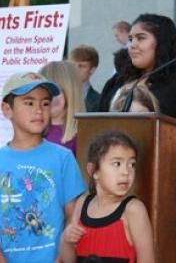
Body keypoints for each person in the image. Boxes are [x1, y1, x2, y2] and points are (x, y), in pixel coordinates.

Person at [0, 72, 86, 262]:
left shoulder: (63, 158)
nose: (39, 110)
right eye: (29, 103)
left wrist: (61, 258)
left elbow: (73, 218)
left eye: (45, 103)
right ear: (7, 109)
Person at [100, 13, 176, 126]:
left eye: (141, 38)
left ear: (162, 42)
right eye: (130, 39)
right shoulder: (116, 81)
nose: (132, 45)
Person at [60, 131, 155, 263]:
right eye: (117, 164)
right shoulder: (82, 204)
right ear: (94, 171)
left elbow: (147, 259)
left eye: (131, 164)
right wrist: (65, 239)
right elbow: (70, 260)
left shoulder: (133, 209)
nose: (126, 172)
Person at [39, 61, 85, 156]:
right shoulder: (33, 133)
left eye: (54, 91)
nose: (47, 98)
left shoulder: (81, 138)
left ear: (70, 93)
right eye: (40, 92)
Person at [69, 44, 101, 112]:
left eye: (81, 66)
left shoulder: (100, 101)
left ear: (92, 70)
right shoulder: (59, 96)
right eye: (72, 65)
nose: (75, 69)